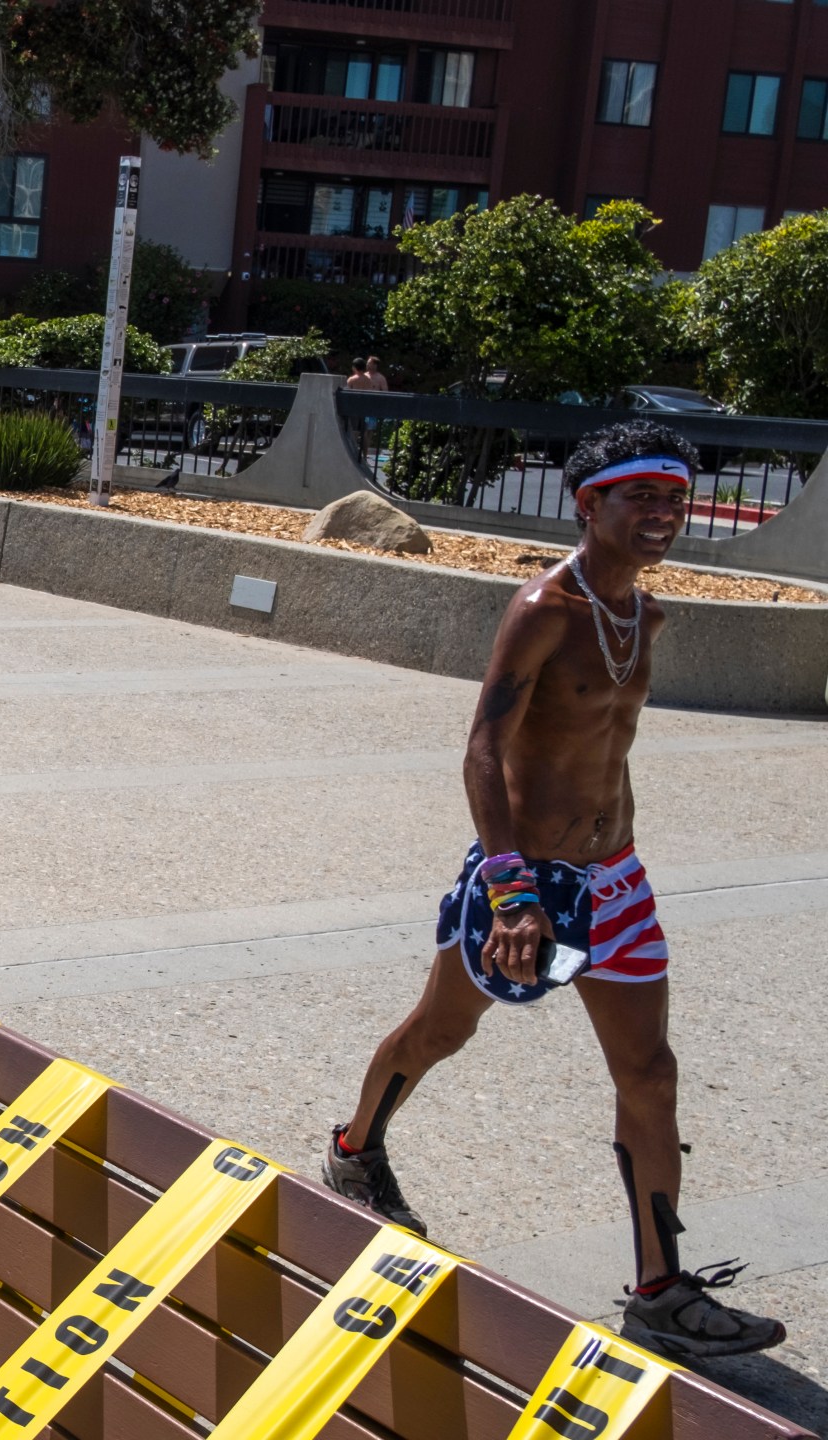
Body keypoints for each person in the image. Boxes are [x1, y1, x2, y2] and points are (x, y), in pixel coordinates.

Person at [321, 421, 784, 1362]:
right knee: (440, 1031)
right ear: (591, 505)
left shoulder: (645, 616)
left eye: (675, 500)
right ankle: (353, 1150)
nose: (663, 516)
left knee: (650, 1075)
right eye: (642, 499)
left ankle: (660, 1289)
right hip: (523, 882)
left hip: (616, 882)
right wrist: (510, 888)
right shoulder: (543, 609)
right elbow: (485, 744)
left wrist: (609, 857)